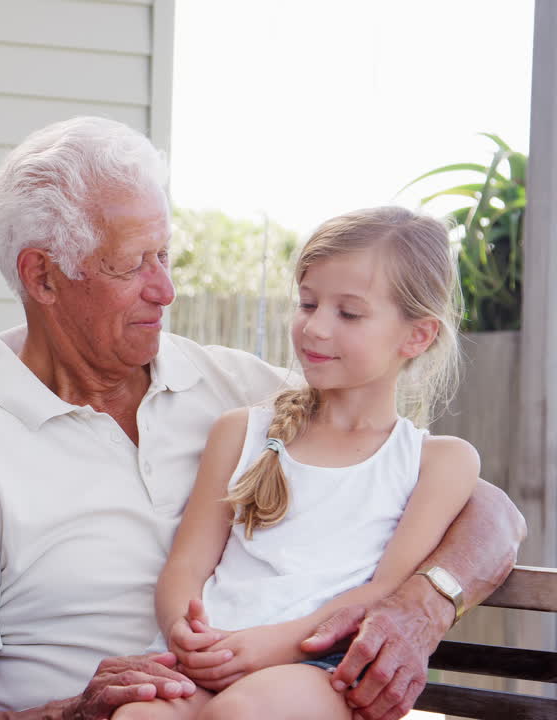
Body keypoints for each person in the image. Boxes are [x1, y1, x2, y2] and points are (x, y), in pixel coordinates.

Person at [0, 117, 526, 720]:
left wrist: (424, 602)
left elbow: (482, 508)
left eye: (164, 255)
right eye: (133, 264)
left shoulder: (242, 388)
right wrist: (71, 713)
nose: (166, 289)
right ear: (43, 276)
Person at [121, 207, 478, 720]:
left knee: (241, 713)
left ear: (416, 336)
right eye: (308, 304)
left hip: (321, 667)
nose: (315, 327)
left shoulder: (437, 461)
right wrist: (184, 631)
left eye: (348, 314)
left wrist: (273, 645)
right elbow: (187, 565)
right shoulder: (239, 433)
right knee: (138, 715)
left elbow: (382, 592)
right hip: (210, 652)